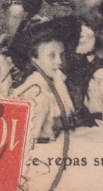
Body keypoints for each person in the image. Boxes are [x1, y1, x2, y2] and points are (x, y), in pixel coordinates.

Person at [12, 17, 81, 145]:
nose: (59, 62)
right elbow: (29, 138)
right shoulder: (36, 90)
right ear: (35, 60)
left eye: (62, 55)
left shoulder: (56, 81)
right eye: (51, 56)